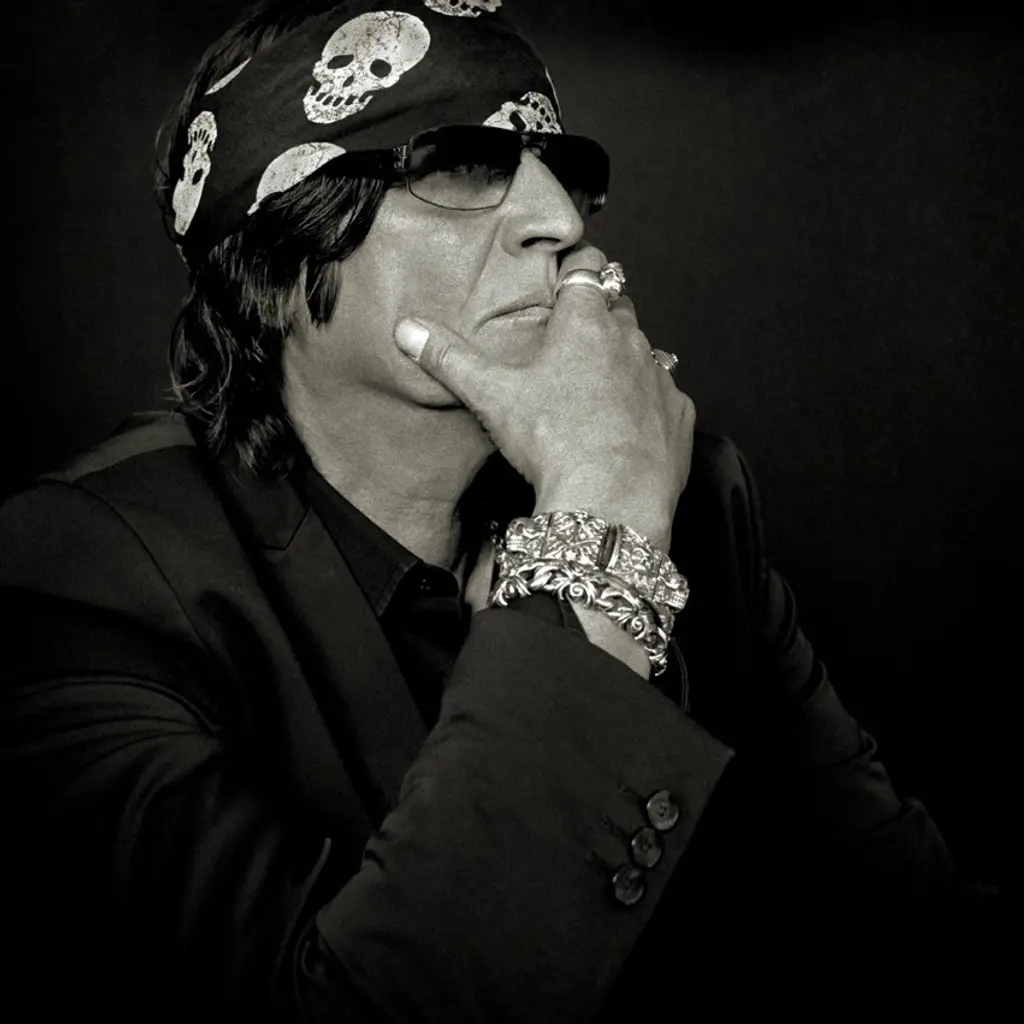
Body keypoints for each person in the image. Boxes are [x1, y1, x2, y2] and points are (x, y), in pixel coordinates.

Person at [0, 1, 1012, 1020]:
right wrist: (599, 540)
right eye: (460, 166)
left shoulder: (694, 492)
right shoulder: (83, 571)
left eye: (556, 167)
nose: (561, 221)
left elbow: (908, 923)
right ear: (276, 260)